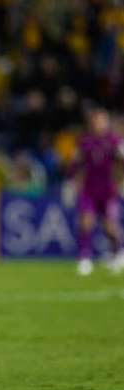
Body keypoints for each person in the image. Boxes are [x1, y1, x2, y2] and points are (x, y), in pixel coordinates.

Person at [72, 107, 124, 276]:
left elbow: (121, 161)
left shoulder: (115, 140)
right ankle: (84, 258)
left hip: (109, 190)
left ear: (106, 122)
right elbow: (77, 163)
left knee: (110, 225)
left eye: (102, 120)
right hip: (89, 189)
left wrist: (121, 181)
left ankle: (118, 253)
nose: (98, 123)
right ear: (91, 122)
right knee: (85, 222)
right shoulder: (85, 141)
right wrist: (70, 180)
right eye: (96, 120)